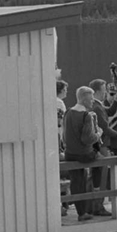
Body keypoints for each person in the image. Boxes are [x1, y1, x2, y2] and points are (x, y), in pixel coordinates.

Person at [87, 79, 117, 216]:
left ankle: (94, 205)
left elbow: (109, 112)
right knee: (101, 176)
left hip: (99, 144)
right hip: (101, 145)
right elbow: (105, 129)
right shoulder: (96, 107)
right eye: (104, 90)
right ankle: (98, 206)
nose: (105, 93)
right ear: (98, 91)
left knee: (97, 177)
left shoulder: (97, 105)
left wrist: (115, 100)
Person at [62, 86, 103, 221]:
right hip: (84, 154)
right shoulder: (86, 116)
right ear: (85, 99)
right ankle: (97, 193)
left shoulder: (67, 112)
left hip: (69, 154)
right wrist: (98, 134)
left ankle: (82, 213)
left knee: (77, 181)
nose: (93, 102)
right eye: (91, 99)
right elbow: (87, 139)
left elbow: (64, 137)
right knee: (103, 162)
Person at [54, 79, 69, 215]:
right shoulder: (59, 103)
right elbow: (60, 123)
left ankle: (64, 203)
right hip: (58, 139)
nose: (66, 92)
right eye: (65, 89)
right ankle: (64, 203)